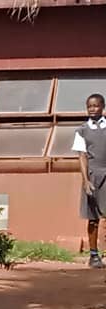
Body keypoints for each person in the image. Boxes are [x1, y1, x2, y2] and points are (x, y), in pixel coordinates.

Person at [74, 93, 106, 268]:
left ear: (102, 107)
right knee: (93, 218)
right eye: (89, 106)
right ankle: (94, 256)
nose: (92, 109)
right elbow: (82, 156)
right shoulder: (82, 130)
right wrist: (86, 180)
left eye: (96, 106)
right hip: (92, 176)